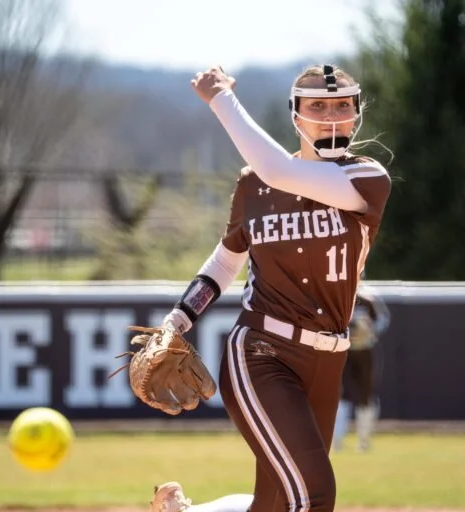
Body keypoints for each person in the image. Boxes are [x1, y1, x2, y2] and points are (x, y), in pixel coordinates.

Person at [149, 63, 392, 512]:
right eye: (317, 104)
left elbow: (280, 170)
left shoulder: (367, 177)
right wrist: (177, 320)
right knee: (315, 494)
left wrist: (222, 97)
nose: (331, 114)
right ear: (295, 114)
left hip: (328, 358)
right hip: (263, 352)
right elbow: (225, 261)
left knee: (276, 504)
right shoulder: (254, 184)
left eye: (342, 105)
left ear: (357, 114)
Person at [332, 288, 390, 452]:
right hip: (344, 350)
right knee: (340, 393)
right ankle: (337, 439)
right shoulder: (339, 297)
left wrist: (369, 331)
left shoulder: (369, 299)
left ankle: (364, 439)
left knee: (366, 395)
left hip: (365, 350)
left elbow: (383, 319)